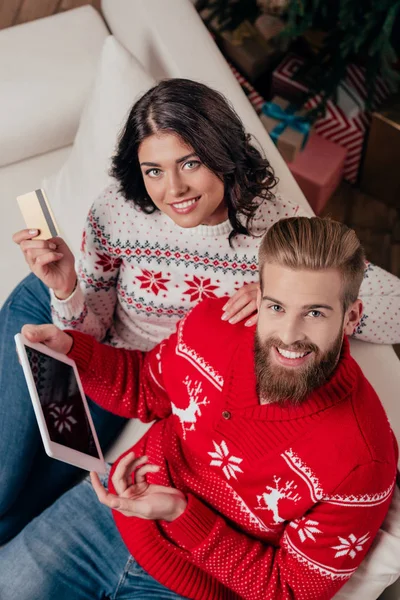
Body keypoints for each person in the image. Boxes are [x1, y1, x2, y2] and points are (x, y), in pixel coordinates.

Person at [1, 79, 399, 543]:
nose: (173, 190)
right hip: (58, 318)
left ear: (222, 151)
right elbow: (90, 329)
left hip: (130, 370)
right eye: (153, 170)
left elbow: (389, 307)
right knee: (3, 480)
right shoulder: (118, 212)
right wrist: (66, 285)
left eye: (190, 163)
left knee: (34, 500)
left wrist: (279, 291)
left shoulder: (276, 229)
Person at [1, 217, 397, 600]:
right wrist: (73, 351)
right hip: (112, 510)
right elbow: (144, 388)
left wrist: (181, 513)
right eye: (276, 308)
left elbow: (288, 590)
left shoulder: (365, 461)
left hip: (199, 588)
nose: (289, 336)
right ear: (257, 298)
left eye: (314, 313)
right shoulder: (212, 323)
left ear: (351, 318)